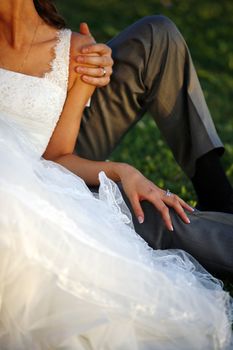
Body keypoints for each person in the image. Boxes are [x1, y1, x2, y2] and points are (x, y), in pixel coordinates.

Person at [0, 1, 232, 349]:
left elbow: (57, 157)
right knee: (146, 216)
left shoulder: (75, 51)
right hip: (23, 199)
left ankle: (221, 198)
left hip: (54, 170)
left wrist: (123, 170)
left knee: (158, 34)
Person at [72, 14, 233, 278]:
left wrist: (83, 65)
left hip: (61, 137)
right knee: (155, 214)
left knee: (158, 35)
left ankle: (219, 196)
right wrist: (119, 172)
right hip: (26, 178)